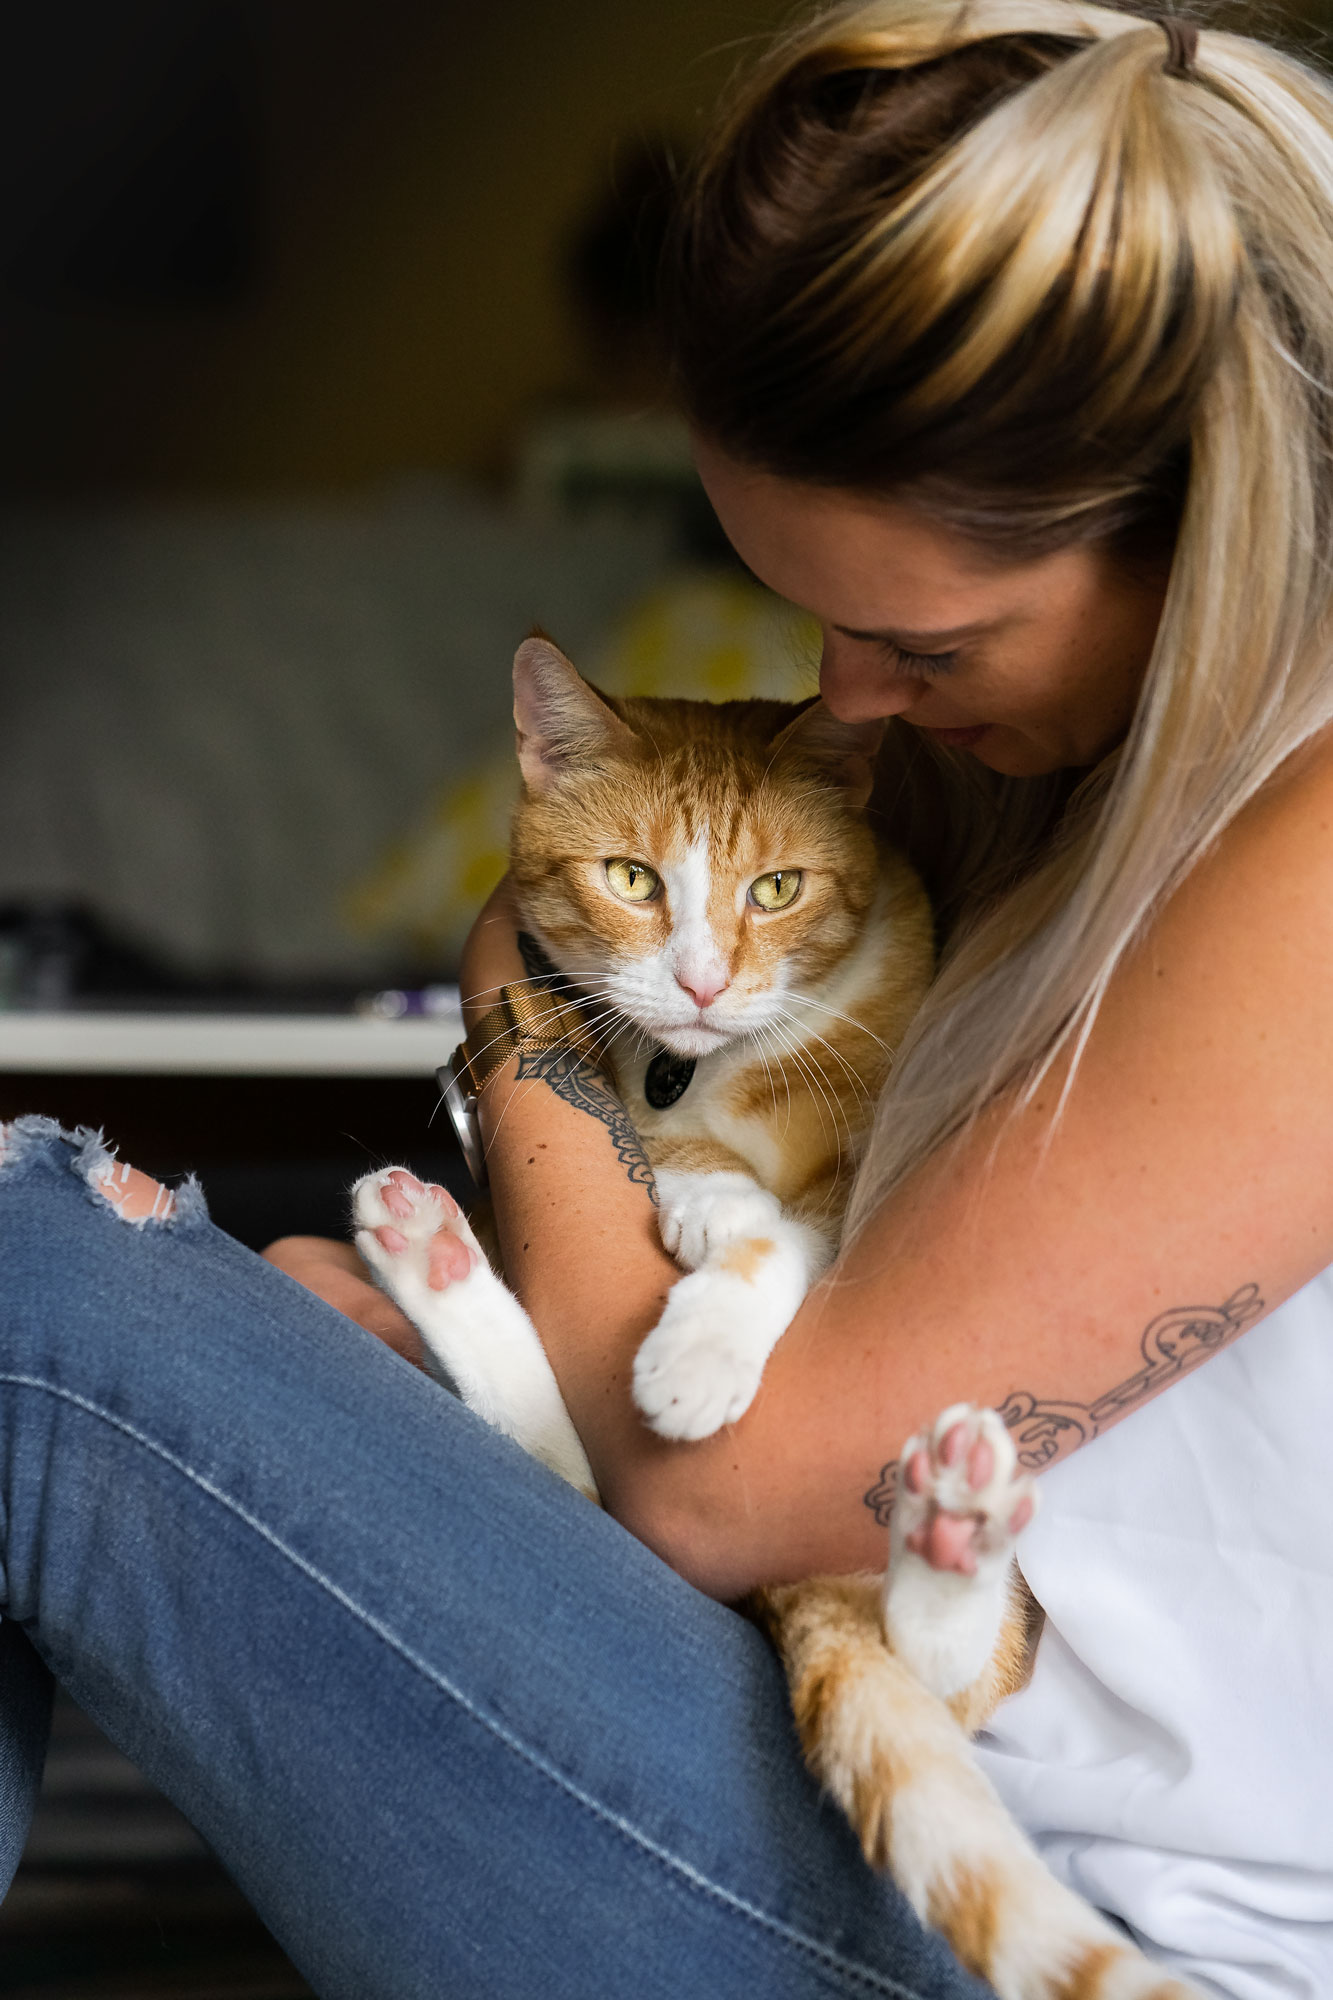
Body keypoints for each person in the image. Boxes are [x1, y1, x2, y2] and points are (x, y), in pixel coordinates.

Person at [4, 3, 1332, 1993]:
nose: (847, 691)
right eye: (808, 602)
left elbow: (724, 1488)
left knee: (25, 1296)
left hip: (1050, 1926)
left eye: (916, 631)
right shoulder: (1058, 796)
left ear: (1201, 524)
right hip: (868, 1740)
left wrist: (516, 985)